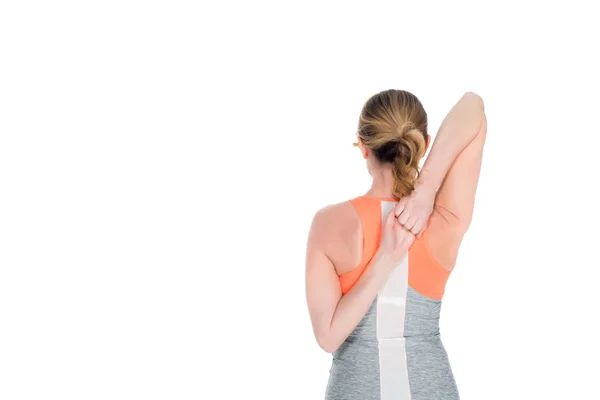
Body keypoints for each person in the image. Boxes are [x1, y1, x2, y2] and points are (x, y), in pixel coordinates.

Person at [305, 89, 487, 400]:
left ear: (363, 147)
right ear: (423, 144)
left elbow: (329, 338)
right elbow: (473, 106)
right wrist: (427, 190)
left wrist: (386, 258)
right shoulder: (443, 219)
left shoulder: (328, 223)